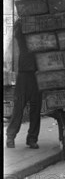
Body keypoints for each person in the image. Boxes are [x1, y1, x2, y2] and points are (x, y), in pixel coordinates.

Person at [6, 19, 42, 149]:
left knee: (36, 108)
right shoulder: (21, 27)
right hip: (24, 74)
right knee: (18, 107)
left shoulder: (39, 29)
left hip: (37, 75)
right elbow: (17, 31)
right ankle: (10, 136)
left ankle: (32, 139)